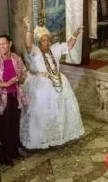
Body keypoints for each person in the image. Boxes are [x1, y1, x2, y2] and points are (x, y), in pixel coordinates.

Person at [20, 17, 85, 150]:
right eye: (44, 40)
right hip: (40, 84)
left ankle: (59, 136)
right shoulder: (35, 52)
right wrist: (27, 30)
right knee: (43, 111)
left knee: (60, 109)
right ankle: (42, 139)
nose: (47, 42)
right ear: (38, 42)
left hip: (58, 82)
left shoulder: (55, 49)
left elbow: (68, 46)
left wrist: (75, 34)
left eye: (48, 39)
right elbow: (27, 45)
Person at [0, 36, 27, 166]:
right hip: (1, 98)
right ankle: (6, 156)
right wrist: (6, 84)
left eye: (4, 44)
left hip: (15, 96)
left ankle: (15, 151)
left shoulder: (16, 58)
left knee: (15, 124)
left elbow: (23, 75)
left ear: (10, 44)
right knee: (4, 127)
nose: (1, 46)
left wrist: (18, 79)